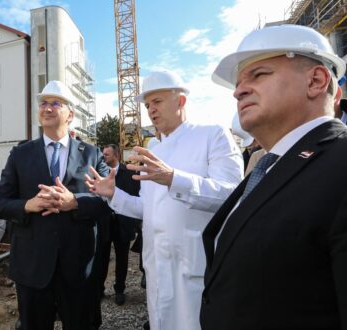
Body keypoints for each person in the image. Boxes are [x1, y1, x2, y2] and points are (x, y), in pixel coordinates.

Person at [202, 24, 347, 329]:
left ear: (316, 81)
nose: (238, 90)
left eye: (259, 74)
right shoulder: (268, 167)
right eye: (238, 83)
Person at [85, 70, 243, 330]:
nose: (151, 110)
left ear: (180, 101)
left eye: (157, 102)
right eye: (147, 105)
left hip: (194, 268)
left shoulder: (212, 135)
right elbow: (149, 210)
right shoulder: (154, 150)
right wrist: (114, 194)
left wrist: (173, 178)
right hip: (157, 267)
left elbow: (230, 196)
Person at [0, 80, 110, 330]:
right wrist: (28, 205)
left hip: (78, 267)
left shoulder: (92, 154)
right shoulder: (20, 154)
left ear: (71, 114)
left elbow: (107, 201)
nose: (47, 108)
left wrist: (75, 202)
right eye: (43, 103)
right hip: (32, 268)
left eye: (56, 103)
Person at [96, 144, 141, 306]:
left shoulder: (129, 173)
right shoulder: (100, 173)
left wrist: (134, 223)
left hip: (123, 224)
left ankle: (120, 290)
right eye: (103, 155)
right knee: (101, 258)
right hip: (104, 224)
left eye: (106, 155)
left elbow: (136, 196)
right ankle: (100, 288)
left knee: (122, 259)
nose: (103, 157)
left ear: (116, 155)